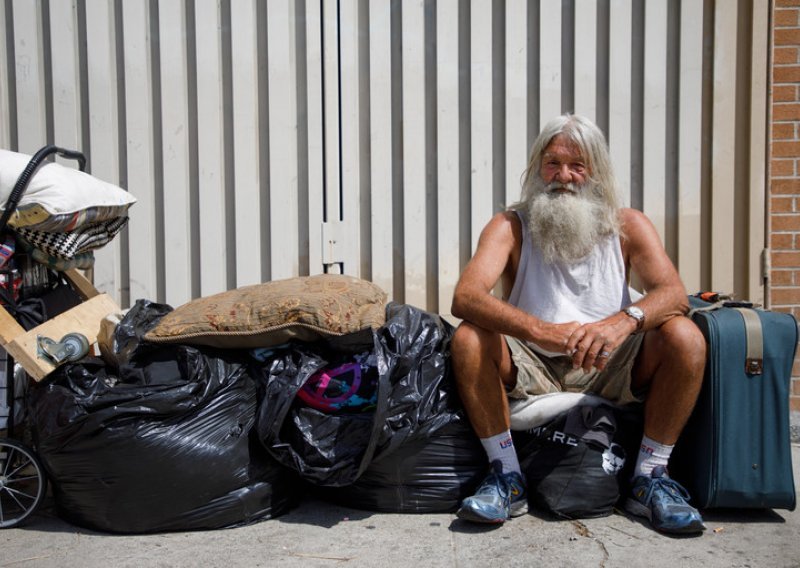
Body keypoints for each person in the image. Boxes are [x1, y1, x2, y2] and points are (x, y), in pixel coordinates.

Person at [450, 113, 707, 535]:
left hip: (610, 364)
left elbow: (672, 294)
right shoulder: (510, 226)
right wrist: (539, 330)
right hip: (532, 364)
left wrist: (621, 323)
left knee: (685, 336)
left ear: (597, 171)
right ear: (537, 168)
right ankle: (506, 477)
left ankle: (650, 478)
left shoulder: (628, 225)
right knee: (469, 338)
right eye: (552, 163)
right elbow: (466, 297)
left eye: (577, 165)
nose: (563, 176)